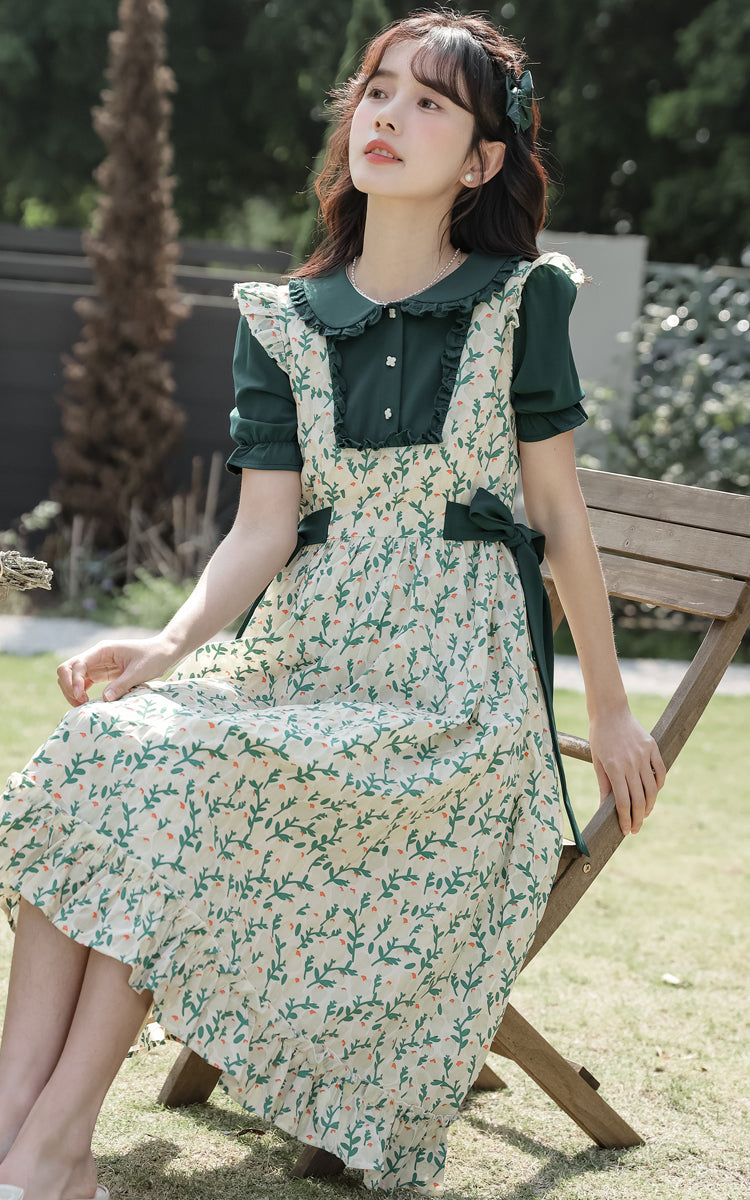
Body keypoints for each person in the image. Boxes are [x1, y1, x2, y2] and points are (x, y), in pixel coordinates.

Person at [0, 10, 666, 1199]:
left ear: (482, 161)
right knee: (107, 742)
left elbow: (562, 523)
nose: (388, 118)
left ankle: (53, 1153)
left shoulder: (523, 304)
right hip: (300, 674)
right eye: (375, 93)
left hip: (453, 716)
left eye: (428, 103)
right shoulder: (285, 321)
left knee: (188, 779)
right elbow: (261, 532)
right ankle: (18, 1133)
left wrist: (612, 712)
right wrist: (167, 642)